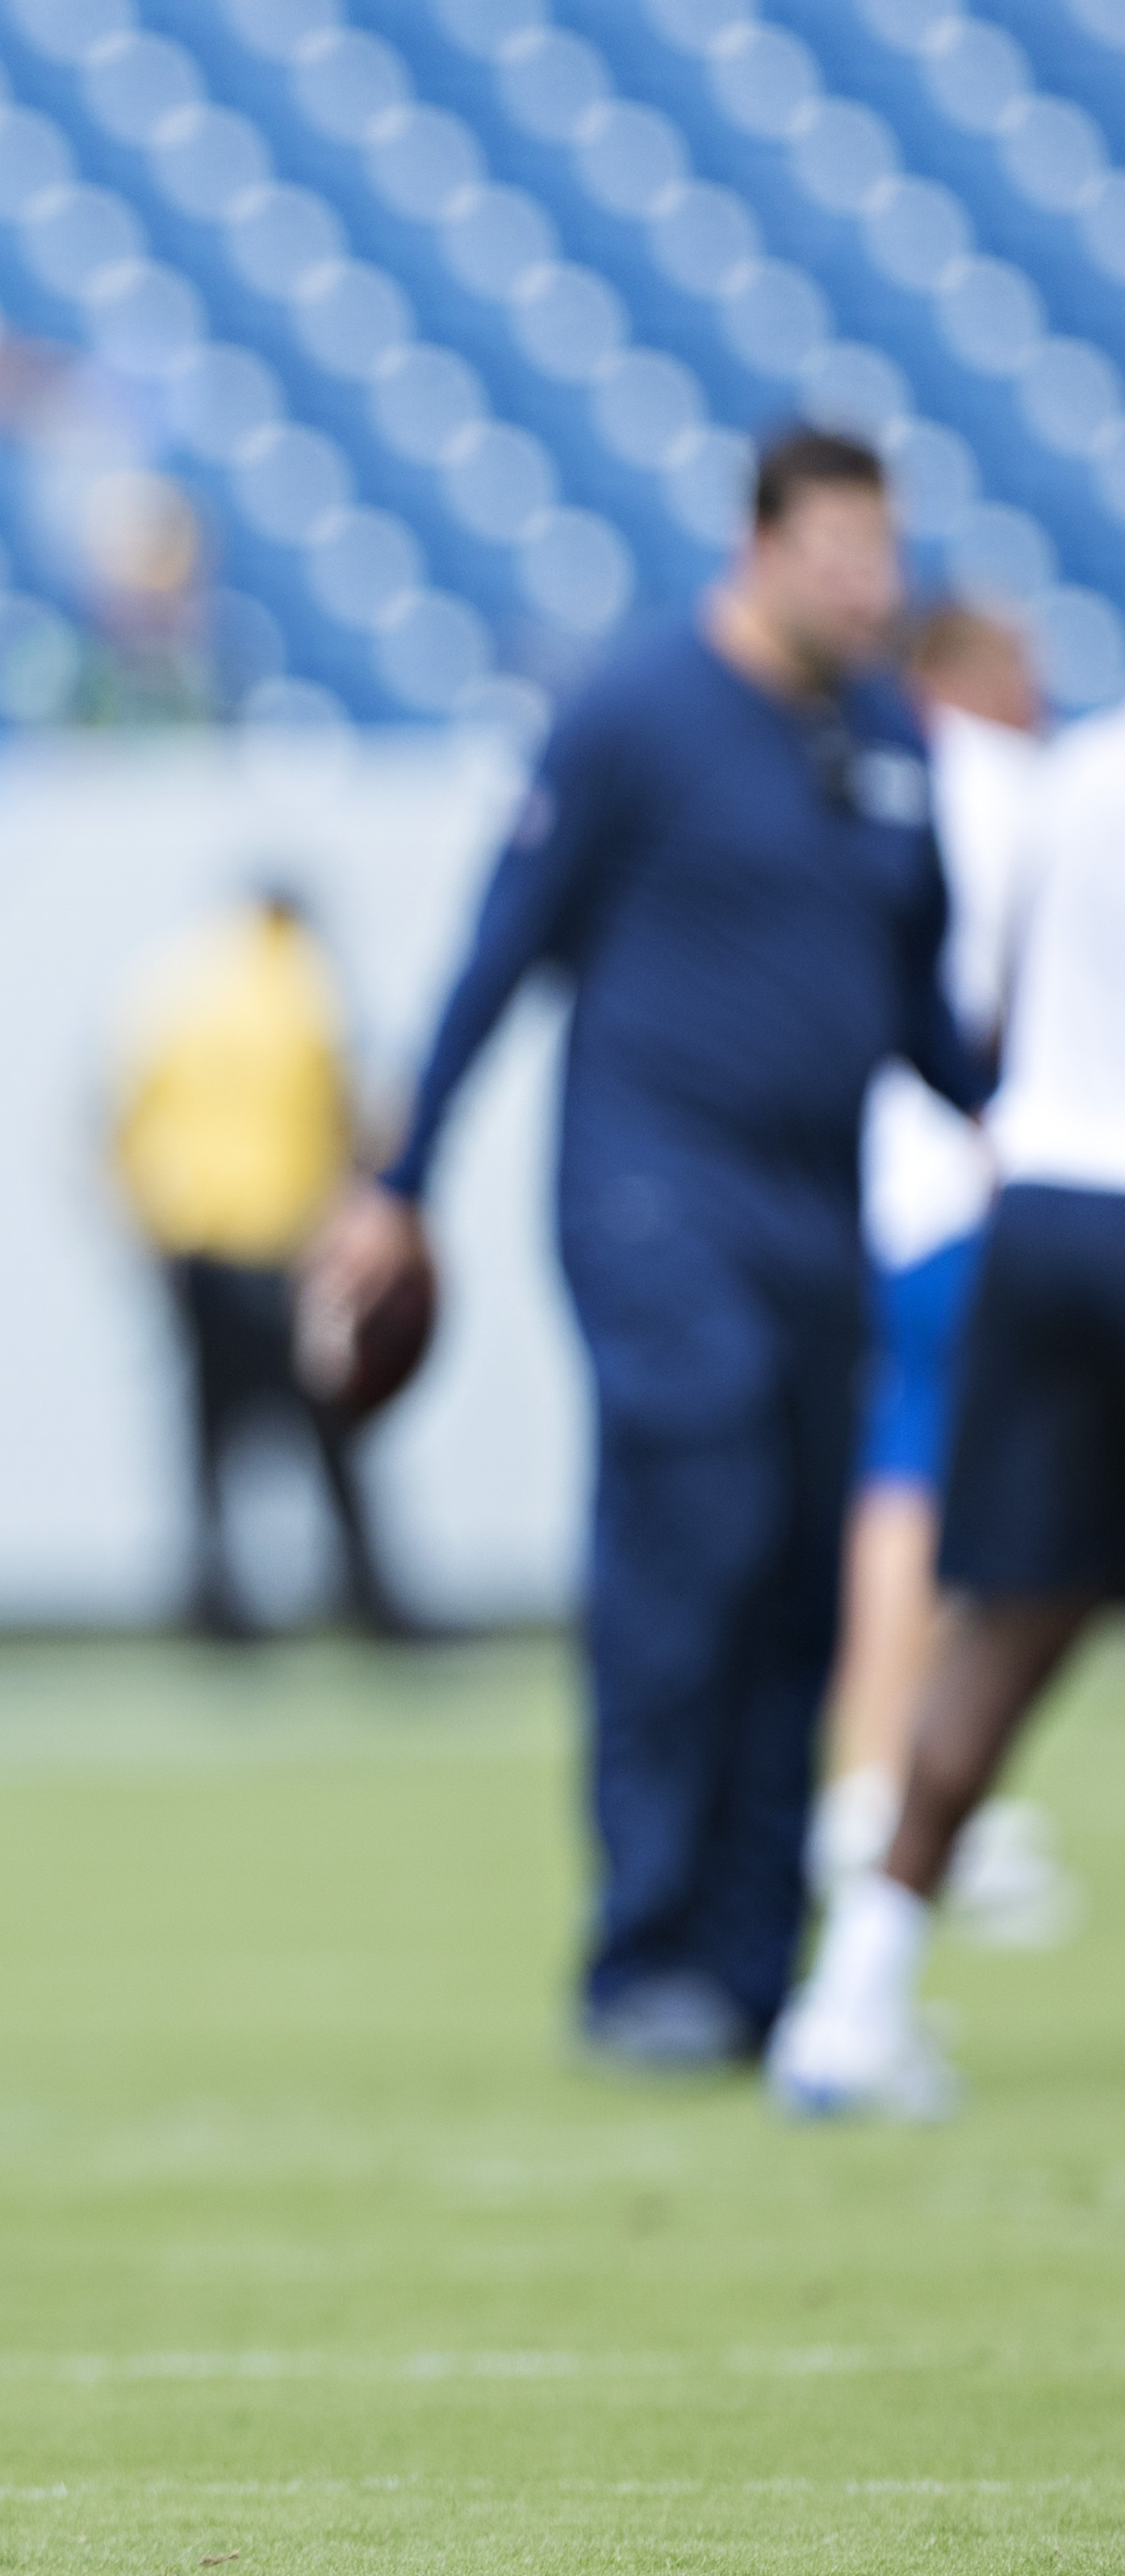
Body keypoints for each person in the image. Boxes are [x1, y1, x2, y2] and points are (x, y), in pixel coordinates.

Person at [306, 431, 987, 2070]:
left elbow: (932, 1015)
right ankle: (647, 1956)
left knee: (798, 1582)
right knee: (696, 1535)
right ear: (759, 547)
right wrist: (401, 1177)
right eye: (835, 550)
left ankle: (759, 1961)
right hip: (655, 1197)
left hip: (822, 1212)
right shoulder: (637, 716)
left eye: (881, 554)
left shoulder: (885, 734)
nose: (866, 585)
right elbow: (506, 941)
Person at [768, 690, 1125, 2115]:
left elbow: (984, 1003)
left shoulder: (1083, 766)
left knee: (1016, 1615)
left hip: (1038, 1200)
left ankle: (853, 1999)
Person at [808, 605, 1073, 1946]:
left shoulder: (873, 785)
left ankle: (886, 1774)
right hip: (987, 1180)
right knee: (936, 1493)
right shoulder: (1010, 790)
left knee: (909, 1479)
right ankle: (888, 1776)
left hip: (893, 1182)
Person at [111, 883, 408, 1641]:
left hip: (194, 1238)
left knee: (210, 1432)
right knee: (334, 1422)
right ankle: (366, 1592)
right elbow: (348, 1106)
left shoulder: (175, 984)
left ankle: (215, 1600)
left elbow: (119, 1113)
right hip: (288, 1236)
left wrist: (145, 1221)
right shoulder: (306, 983)